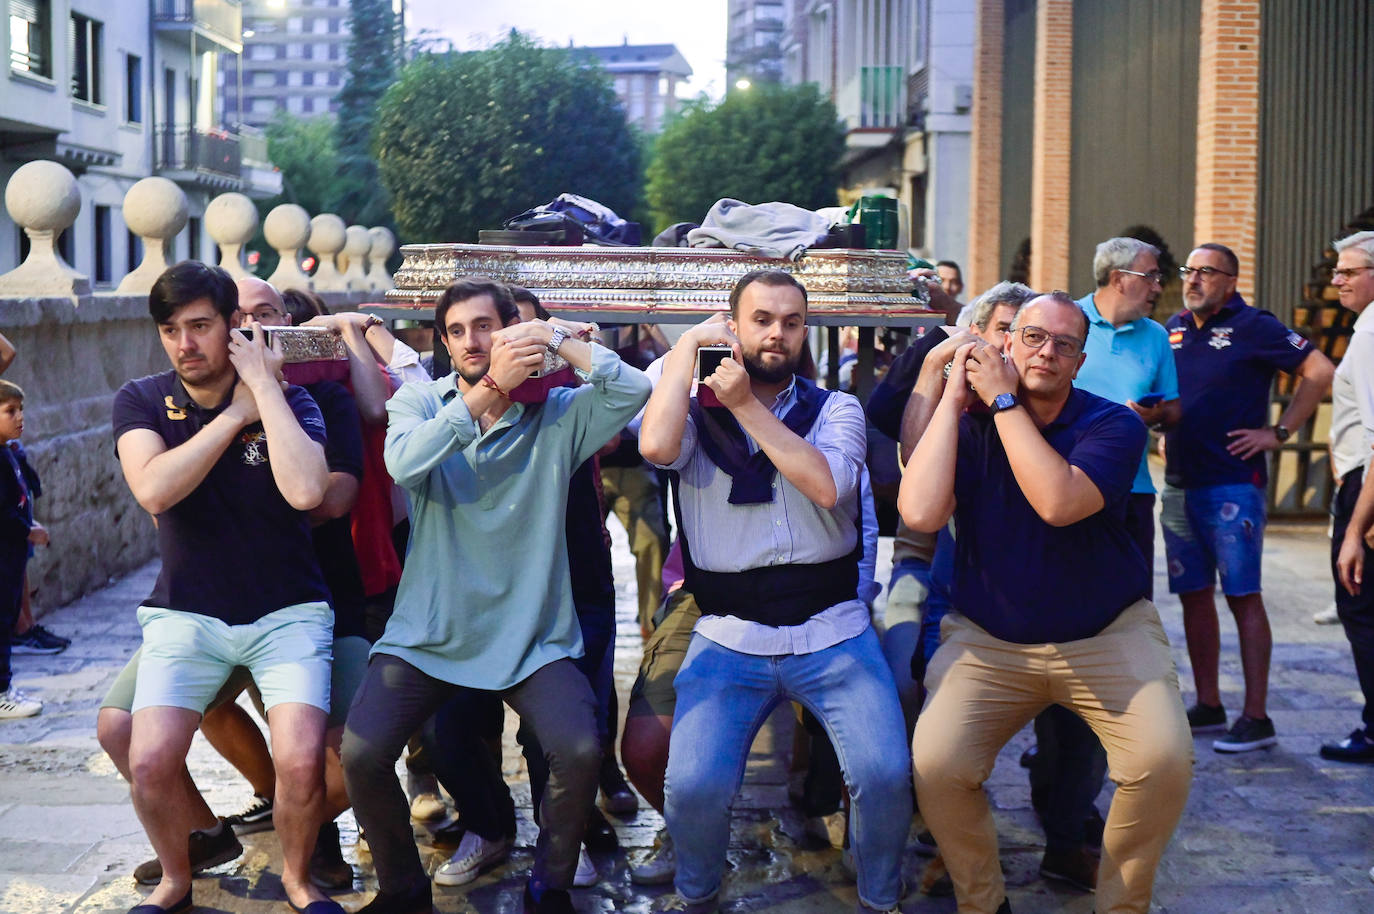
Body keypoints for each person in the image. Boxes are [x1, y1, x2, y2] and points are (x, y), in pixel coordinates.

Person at [339, 277, 650, 914]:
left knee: (581, 748)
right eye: (455, 331)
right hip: (430, 634)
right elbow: (404, 465)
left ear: (512, 329)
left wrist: (557, 337)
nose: (471, 340)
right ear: (444, 344)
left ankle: (549, 884)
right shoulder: (421, 402)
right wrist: (487, 394)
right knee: (363, 751)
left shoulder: (558, 415)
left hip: (535, 634)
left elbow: (633, 390)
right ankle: (402, 889)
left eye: (485, 326)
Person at [900, 292, 1193, 914]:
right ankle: (983, 902)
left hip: (1105, 633)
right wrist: (953, 399)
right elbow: (920, 512)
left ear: (1080, 362)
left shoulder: (1111, 423)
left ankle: (1122, 904)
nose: (1046, 353)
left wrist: (1003, 401)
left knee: (1162, 761)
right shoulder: (969, 422)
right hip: (989, 640)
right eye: (1032, 337)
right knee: (937, 765)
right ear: (1007, 341)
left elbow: (1059, 503)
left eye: (1063, 345)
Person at [638, 270, 911, 914]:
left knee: (884, 774)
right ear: (735, 327)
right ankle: (699, 891)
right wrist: (687, 352)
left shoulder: (836, 408)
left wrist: (743, 405)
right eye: (761, 319)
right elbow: (654, 444)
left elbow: (827, 486)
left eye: (791, 322)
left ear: (804, 330)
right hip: (729, 632)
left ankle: (878, 897)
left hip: (832, 630)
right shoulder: (695, 413)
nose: (777, 334)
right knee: (693, 786)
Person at [110, 261, 340, 914]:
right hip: (187, 613)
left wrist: (260, 392)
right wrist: (231, 417)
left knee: (299, 763)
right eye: (171, 329)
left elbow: (307, 491)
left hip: (288, 611)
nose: (186, 343)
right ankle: (177, 879)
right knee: (149, 759)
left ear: (233, 326)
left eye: (201, 326)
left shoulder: (293, 401)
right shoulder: (143, 399)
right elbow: (152, 486)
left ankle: (298, 879)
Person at [1017, 236, 1181, 891]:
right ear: (1118, 276)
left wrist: (1150, 415)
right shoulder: (1061, 323)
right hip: (1051, 491)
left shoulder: (1155, 339)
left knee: (1103, 635)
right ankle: (1055, 780)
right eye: (1153, 276)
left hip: (1130, 499)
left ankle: (1070, 803)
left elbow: (1172, 407)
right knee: (1041, 639)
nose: (1159, 286)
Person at [1163, 243, 1333, 752]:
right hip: (1179, 484)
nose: (1193, 280)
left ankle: (1256, 716)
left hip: (1233, 485)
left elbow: (1320, 371)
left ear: (1231, 281)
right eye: (1189, 271)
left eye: (1206, 273)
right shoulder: (1172, 326)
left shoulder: (1254, 325)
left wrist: (1277, 432)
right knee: (1193, 595)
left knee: (1241, 596)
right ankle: (1209, 703)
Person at [1324, 231, 1374, 762]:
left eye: (1350, 271)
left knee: (1360, 609)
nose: (1338, 279)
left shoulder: (1371, 333)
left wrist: (1355, 530)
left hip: (1367, 484)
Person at [0, 379, 48, 719]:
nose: (20, 418)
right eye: (10, 411)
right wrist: (28, 530)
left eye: (21, 410)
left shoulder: (9, 451)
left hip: (12, 557)